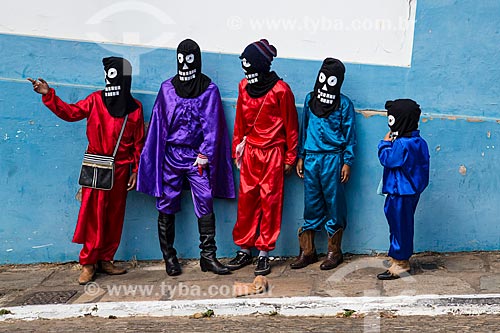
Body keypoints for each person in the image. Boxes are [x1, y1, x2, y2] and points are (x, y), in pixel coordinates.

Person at [28, 56, 145, 285]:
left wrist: (136, 170)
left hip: (121, 169)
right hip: (95, 166)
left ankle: (106, 260)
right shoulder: (95, 100)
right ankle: (88, 263)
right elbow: (71, 113)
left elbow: (138, 143)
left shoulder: (135, 109)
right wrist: (48, 94)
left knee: (114, 217)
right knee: (93, 215)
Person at [137, 39, 235, 276]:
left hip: (196, 157)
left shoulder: (209, 90)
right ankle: (169, 258)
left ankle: (208, 257)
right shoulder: (167, 89)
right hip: (172, 155)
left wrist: (204, 153)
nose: (185, 64)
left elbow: (213, 126)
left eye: (189, 59)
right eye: (181, 59)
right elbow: (159, 125)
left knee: (205, 199)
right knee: (167, 202)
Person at [227, 39, 299, 276]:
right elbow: (240, 120)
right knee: (247, 201)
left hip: (273, 154)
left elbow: (291, 126)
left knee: (270, 203)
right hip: (250, 153)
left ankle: (264, 252)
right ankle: (244, 248)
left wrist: (290, 157)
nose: (246, 72)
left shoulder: (281, 90)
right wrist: (236, 149)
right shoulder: (243, 86)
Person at [290, 58, 356, 271]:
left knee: (335, 202)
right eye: (323, 77)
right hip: (311, 159)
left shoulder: (344, 104)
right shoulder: (310, 100)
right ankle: (308, 251)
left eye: (332, 79)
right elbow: (304, 129)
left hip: (333, 159)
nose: (326, 83)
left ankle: (334, 251)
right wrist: (301, 155)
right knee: (311, 202)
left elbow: (349, 135)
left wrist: (347, 161)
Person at [377, 99, 430, 280]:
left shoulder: (401, 144)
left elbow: (388, 159)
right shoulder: (419, 142)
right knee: (402, 224)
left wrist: (384, 143)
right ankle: (397, 256)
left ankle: (400, 262)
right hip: (410, 191)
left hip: (399, 191)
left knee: (398, 225)